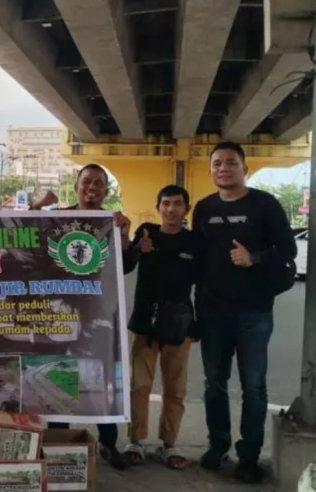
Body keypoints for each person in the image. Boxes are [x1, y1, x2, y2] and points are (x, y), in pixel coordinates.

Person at [192, 141, 296, 484]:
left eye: (231, 162)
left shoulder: (265, 204)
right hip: (213, 313)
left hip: (254, 313)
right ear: (211, 170)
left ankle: (248, 457)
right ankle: (218, 445)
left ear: (245, 168)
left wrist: (254, 258)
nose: (223, 168)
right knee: (214, 385)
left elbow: (288, 248)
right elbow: (197, 260)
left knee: (253, 387)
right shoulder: (204, 208)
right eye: (217, 163)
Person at [32, 164, 131, 471]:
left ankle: (109, 443)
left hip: (99, 313)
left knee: (102, 376)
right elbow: (28, 239)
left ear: (106, 191)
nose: (92, 188)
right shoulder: (58, 219)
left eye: (98, 183)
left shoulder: (113, 222)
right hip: (61, 311)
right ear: (76, 186)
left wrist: (125, 236)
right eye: (86, 181)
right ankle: (57, 444)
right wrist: (36, 207)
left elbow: (125, 265)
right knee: (61, 374)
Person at [121, 185, 201, 470]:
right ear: (158, 208)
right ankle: (135, 441)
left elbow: (204, 283)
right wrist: (136, 251)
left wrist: (197, 324)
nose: (171, 209)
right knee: (139, 386)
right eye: (165, 204)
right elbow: (125, 266)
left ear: (186, 209)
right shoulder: (147, 233)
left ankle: (170, 443)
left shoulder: (194, 241)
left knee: (175, 389)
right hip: (145, 324)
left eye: (177, 204)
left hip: (179, 325)